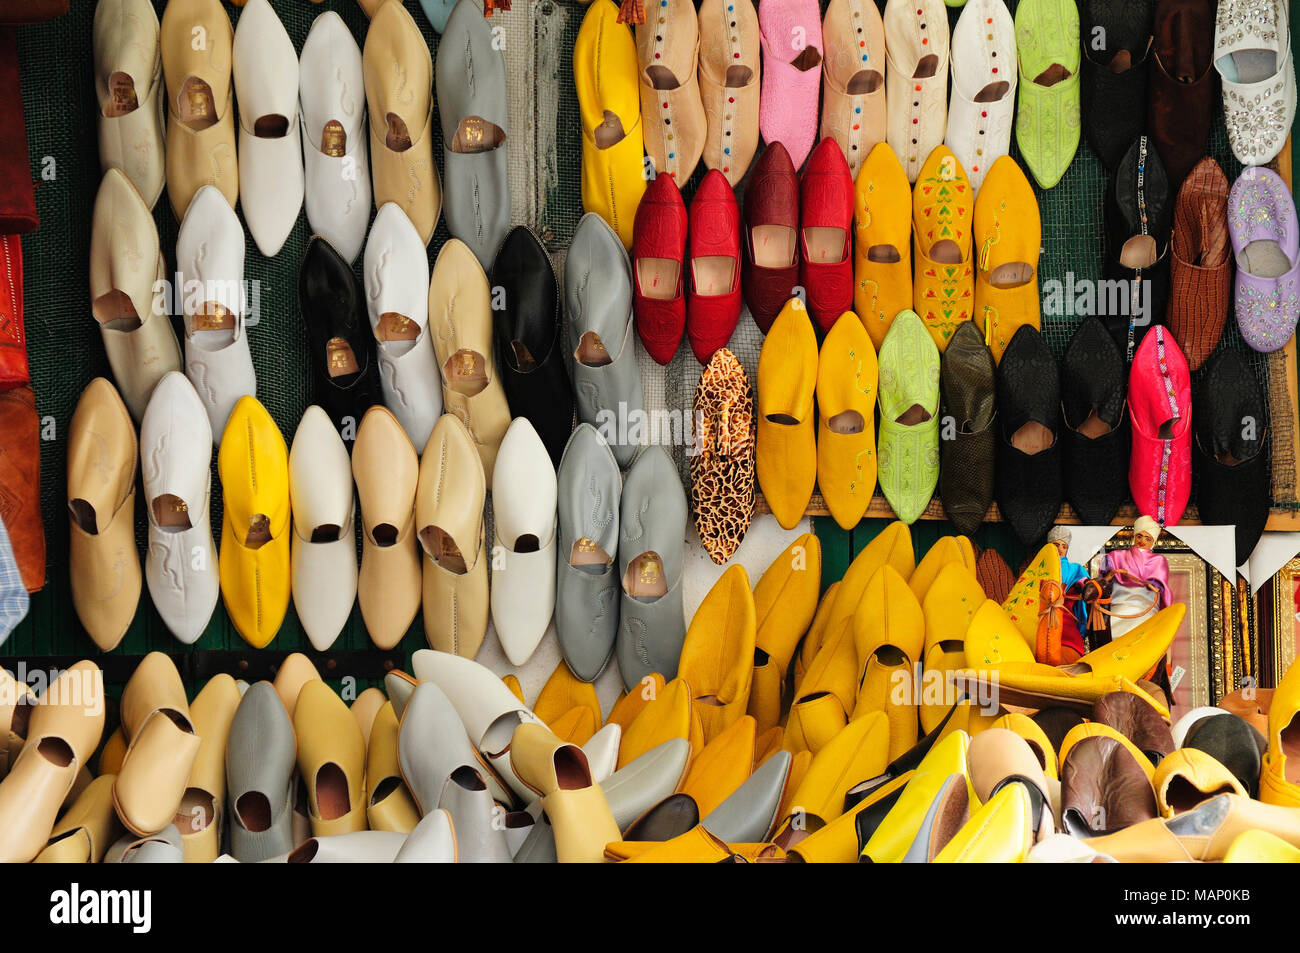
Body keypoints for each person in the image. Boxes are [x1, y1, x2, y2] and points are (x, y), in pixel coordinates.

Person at [1100, 515, 1172, 640]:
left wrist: (1153, 585)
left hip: (1145, 608)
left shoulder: (1158, 560)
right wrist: (1110, 575)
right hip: (1119, 606)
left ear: (1152, 542)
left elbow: (1160, 588)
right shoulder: (1116, 556)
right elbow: (1103, 582)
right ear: (1134, 537)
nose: (1142, 541)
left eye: (1147, 538)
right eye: (1139, 536)